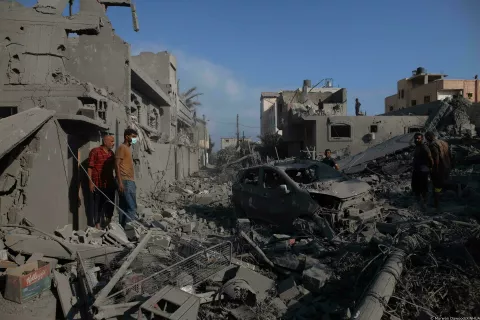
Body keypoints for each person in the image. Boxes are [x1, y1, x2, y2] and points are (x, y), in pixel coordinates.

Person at [87, 135, 115, 229]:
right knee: (97, 204)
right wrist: (90, 182)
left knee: (109, 203)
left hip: (109, 182)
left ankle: (108, 223)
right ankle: (97, 224)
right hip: (97, 183)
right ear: (105, 142)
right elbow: (90, 167)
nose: (113, 143)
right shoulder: (95, 151)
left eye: (113, 141)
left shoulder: (111, 153)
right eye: (111, 141)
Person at [116, 128, 138, 227]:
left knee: (124, 207)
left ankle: (122, 230)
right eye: (133, 137)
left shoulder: (128, 149)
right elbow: (117, 165)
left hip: (128, 181)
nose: (135, 139)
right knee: (132, 207)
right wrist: (120, 182)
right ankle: (129, 231)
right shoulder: (122, 148)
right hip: (126, 181)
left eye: (135, 137)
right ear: (126, 136)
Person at [425, 131, 452, 210]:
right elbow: (450, 155)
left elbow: (436, 157)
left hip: (438, 168)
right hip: (447, 166)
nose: (426, 140)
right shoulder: (444, 142)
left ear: (429, 137)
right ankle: (440, 200)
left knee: (437, 185)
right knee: (441, 184)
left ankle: (436, 205)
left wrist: (433, 168)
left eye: (426, 138)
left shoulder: (433, 145)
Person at [411, 133, 433, 210]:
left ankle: (425, 204)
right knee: (415, 187)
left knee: (423, 188)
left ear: (422, 139)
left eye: (418, 138)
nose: (416, 140)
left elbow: (430, 158)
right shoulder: (417, 147)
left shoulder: (424, 147)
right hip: (417, 170)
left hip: (423, 170)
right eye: (415, 138)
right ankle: (418, 203)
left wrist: (430, 167)